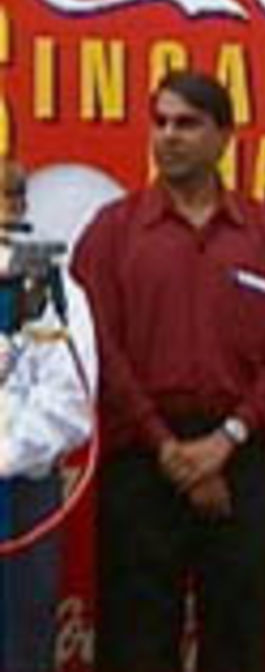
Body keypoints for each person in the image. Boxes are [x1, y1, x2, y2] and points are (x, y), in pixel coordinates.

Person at [71, 72, 265, 672]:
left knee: (239, 640)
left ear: (225, 136)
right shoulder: (113, 233)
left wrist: (224, 442)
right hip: (141, 463)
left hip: (239, 462)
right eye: (161, 122)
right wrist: (168, 450)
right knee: (133, 644)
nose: (169, 136)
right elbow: (96, 351)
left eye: (187, 123)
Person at [0, 157, 96, 672]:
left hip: (21, 494)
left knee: (19, 644)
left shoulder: (51, 289)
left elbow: (70, 404)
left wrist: (7, 450)